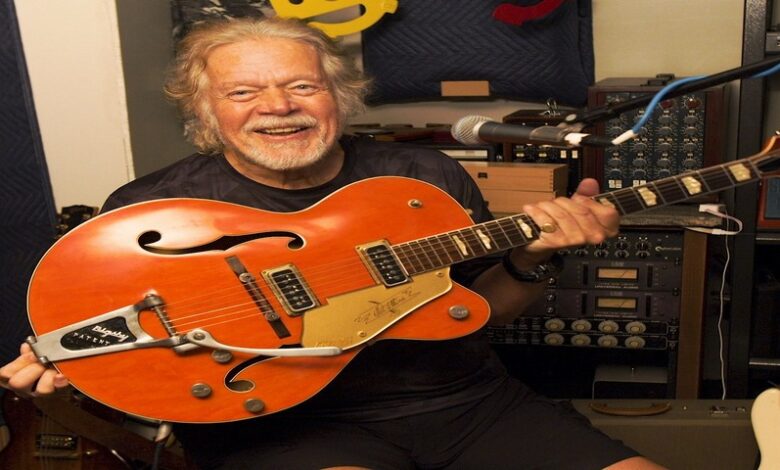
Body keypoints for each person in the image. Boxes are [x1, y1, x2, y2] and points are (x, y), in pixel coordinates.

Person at [0, 16, 665, 470]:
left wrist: (534, 254)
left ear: (337, 98)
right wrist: (66, 381)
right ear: (204, 111)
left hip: (463, 402)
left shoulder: (423, 177)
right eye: (243, 91)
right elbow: (128, 349)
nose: (277, 106)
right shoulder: (152, 213)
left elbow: (476, 310)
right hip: (284, 427)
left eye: (302, 85)